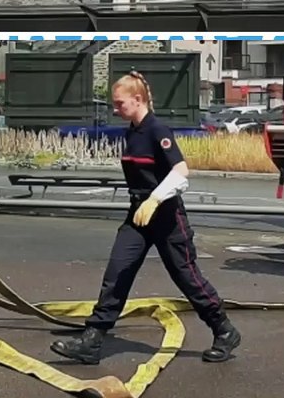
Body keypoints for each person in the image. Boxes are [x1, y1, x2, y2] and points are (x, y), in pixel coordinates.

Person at [50, 71, 241, 365]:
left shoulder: (157, 130)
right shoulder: (132, 131)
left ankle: (224, 329)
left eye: (120, 103)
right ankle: (93, 339)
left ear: (137, 100)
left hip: (166, 216)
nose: (115, 109)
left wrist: (155, 199)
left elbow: (181, 172)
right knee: (118, 272)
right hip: (138, 215)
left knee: (187, 277)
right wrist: (143, 202)